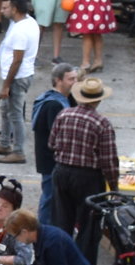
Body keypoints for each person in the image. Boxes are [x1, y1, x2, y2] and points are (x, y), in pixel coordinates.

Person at [48, 76, 120, 253]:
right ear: (99, 99)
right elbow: (108, 161)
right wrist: (114, 187)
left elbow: (51, 144)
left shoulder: (64, 114)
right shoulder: (102, 123)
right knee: (89, 228)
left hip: (62, 172)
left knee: (61, 222)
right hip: (89, 178)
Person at [0, 0, 38, 165]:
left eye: (5, 8)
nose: (1, 11)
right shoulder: (28, 21)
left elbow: (17, 60)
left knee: (15, 114)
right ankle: (4, 143)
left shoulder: (20, 32)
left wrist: (6, 85)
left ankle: (18, 151)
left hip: (17, 77)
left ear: (15, 9)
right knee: (5, 109)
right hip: (20, 75)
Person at [28, 64, 76, 230]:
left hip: (57, 160)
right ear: (58, 80)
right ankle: (44, 230)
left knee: (56, 198)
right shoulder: (53, 105)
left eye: (75, 78)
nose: (74, 82)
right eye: (71, 79)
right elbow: (58, 137)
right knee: (49, 198)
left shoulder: (67, 98)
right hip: (50, 160)